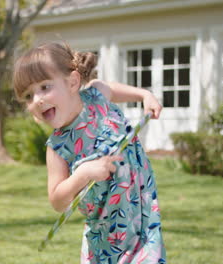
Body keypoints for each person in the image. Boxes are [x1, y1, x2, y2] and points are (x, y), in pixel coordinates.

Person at [13, 42, 166, 264]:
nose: (37, 100)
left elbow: (112, 88)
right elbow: (57, 201)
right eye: (29, 96)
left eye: (44, 87)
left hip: (143, 216)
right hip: (109, 241)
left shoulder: (97, 96)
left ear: (73, 82)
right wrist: (82, 175)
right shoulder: (57, 147)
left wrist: (144, 95)